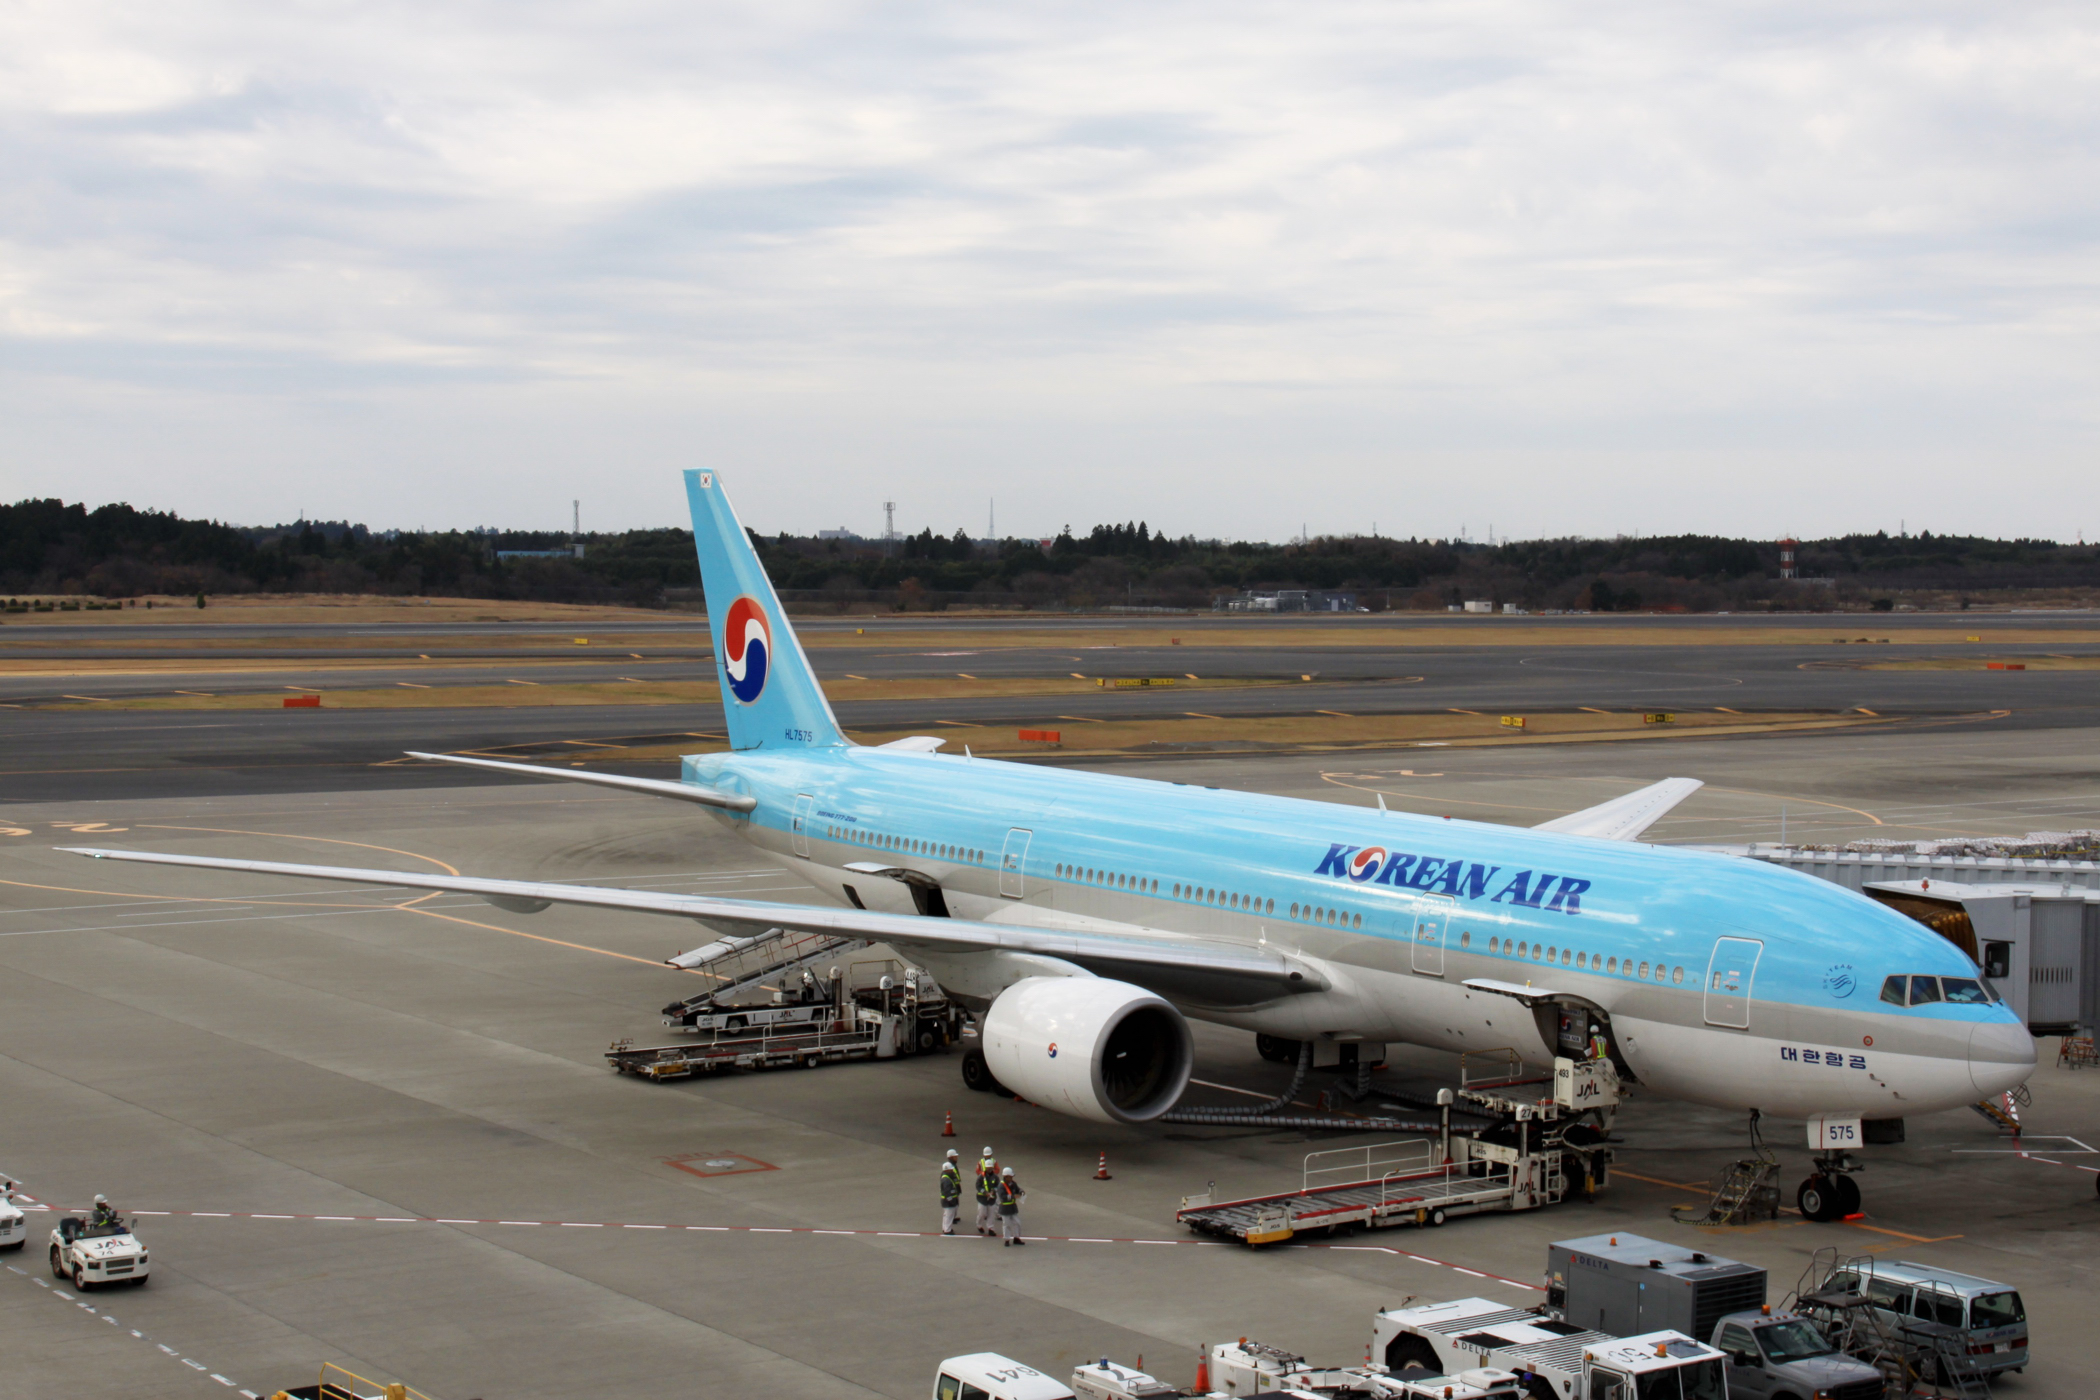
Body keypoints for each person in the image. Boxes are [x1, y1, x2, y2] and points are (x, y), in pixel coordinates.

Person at [997, 1166, 1025, 1246]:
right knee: (1006, 1224)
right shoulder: (1001, 1186)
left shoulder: (1013, 1183)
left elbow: (1018, 1189)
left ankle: (1016, 1238)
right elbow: (1002, 1197)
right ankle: (1007, 1239)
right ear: (1006, 1177)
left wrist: (1021, 1192)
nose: (1012, 1178)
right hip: (1005, 1209)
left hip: (1012, 1208)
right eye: (1010, 1176)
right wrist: (1013, 1196)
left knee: (1017, 1223)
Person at [974, 1147, 999, 1237]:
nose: (989, 1169)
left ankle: (991, 1228)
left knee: (991, 1214)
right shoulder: (981, 1177)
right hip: (982, 1198)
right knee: (982, 1213)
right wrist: (984, 1192)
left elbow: (998, 1185)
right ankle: (979, 1224)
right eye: (988, 1168)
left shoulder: (995, 1177)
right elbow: (977, 1186)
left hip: (992, 1198)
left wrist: (993, 1191)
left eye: (990, 1168)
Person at [939, 1149, 962, 1235]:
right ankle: (947, 1230)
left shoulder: (947, 1177)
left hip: (949, 1199)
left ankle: (945, 1228)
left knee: (947, 1215)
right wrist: (950, 1199)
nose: (952, 1171)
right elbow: (946, 1191)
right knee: (948, 1215)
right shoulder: (946, 1180)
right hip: (948, 1200)